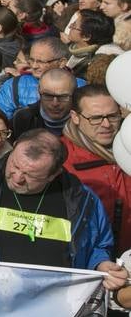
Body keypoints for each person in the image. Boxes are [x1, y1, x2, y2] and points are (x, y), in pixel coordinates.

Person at [0, 130, 127, 290]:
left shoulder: (82, 199)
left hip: (55, 308)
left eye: (32, 175)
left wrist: (100, 265)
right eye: (14, 165)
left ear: (53, 174)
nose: (17, 177)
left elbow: (99, 244)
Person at [61, 84, 131, 254]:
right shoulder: (60, 158)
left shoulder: (128, 148)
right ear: (75, 117)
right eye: (96, 118)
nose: (106, 124)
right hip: (84, 261)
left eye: (113, 116)